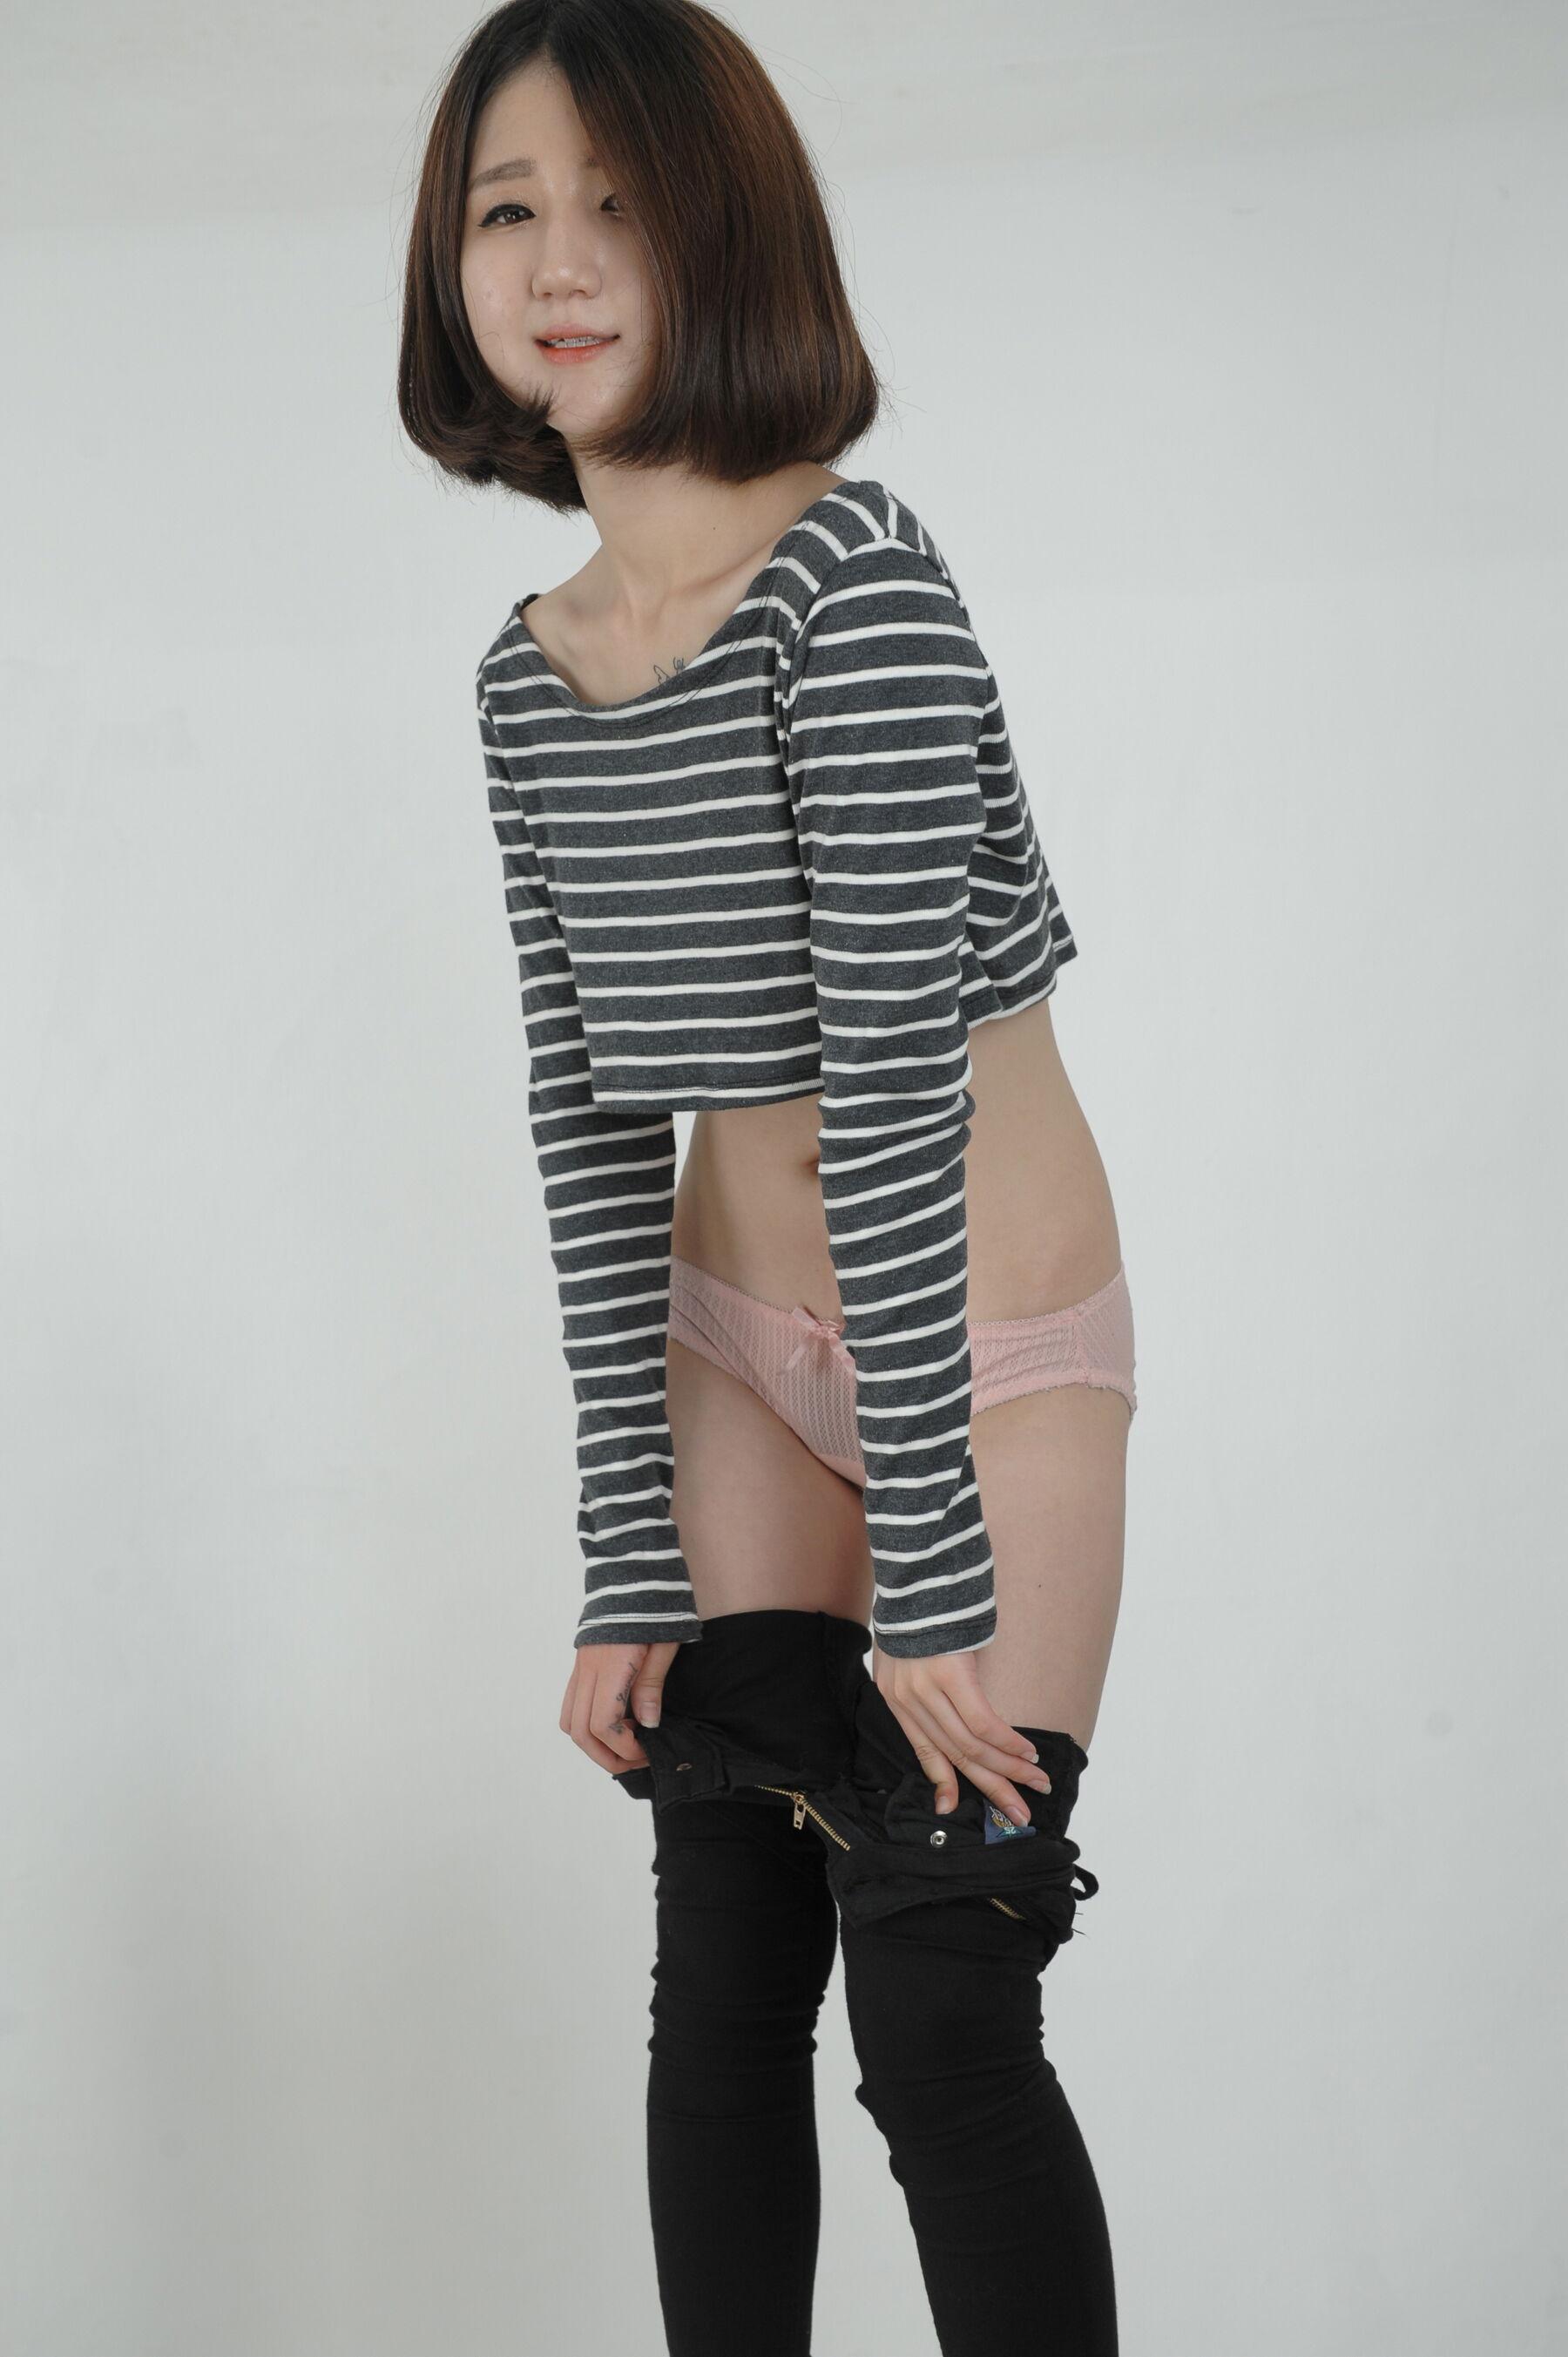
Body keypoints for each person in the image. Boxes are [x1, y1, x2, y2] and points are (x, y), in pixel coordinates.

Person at [401, 5, 1135, 2351]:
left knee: (941, 2001)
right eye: (509, 207)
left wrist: (934, 1557)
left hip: (991, 1368)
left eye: (621, 204)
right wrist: (628, 1541)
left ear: (729, 236)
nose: (560, 261)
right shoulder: (530, 676)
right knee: (723, 1976)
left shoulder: (856, 589)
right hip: (735, 1356)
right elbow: (587, 1116)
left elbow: (895, 1091)